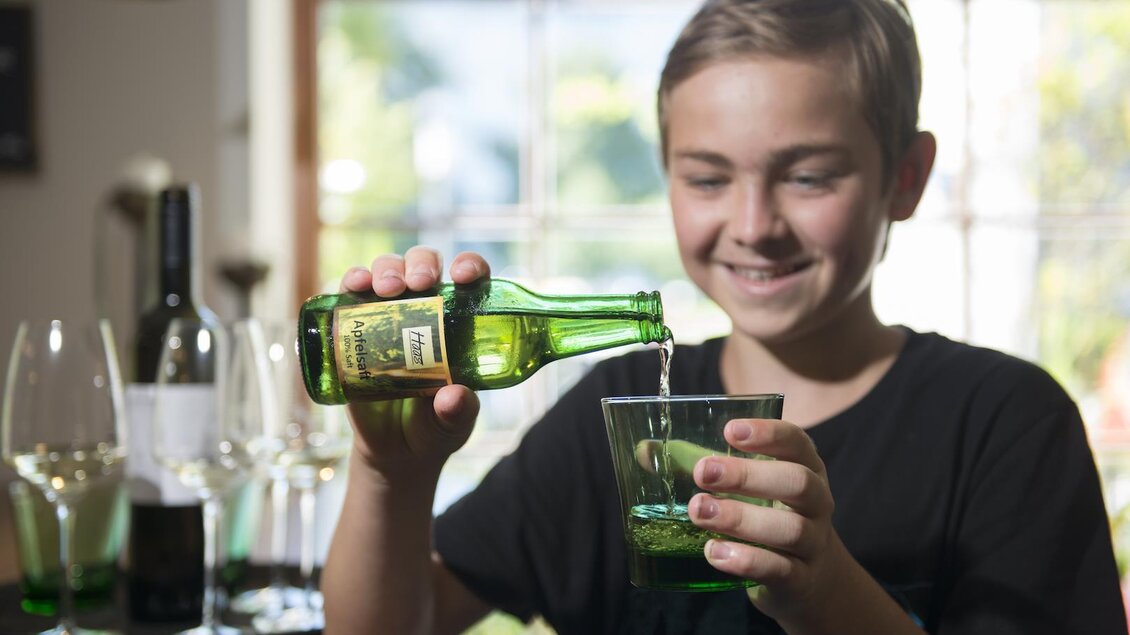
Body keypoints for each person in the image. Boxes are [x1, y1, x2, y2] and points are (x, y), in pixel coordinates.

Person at [321, 0, 1128, 633]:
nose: (752, 224)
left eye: (808, 176)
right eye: (708, 179)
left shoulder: (1004, 423)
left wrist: (825, 592)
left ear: (907, 178)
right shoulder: (612, 409)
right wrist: (392, 474)